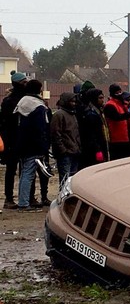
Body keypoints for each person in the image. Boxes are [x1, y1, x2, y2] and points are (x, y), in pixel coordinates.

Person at [14, 79, 50, 211]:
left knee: (25, 173)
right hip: (34, 145)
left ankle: (23, 201)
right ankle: (24, 203)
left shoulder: (23, 101)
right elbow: (40, 128)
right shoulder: (37, 105)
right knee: (29, 174)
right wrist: (43, 145)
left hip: (22, 143)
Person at [1, 71, 28, 208]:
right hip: (12, 139)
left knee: (26, 169)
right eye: (24, 82)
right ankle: (9, 198)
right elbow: (5, 121)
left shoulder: (23, 98)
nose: (26, 84)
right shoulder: (10, 101)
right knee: (12, 169)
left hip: (20, 137)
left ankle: (25, 197)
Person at [50, 92, 81, 184]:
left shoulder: (73, 114)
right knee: (65, 178)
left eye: (75, 102)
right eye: (72, 102)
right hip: (66, 153)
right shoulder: (59, 115)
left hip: (75, 151)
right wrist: (63, 150)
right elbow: (55, 134)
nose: (74, 104)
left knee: (72, 179)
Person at [103, 84, 130, 160]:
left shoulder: (120, 104)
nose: (119, 94)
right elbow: (117, 117)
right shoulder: (110, 105)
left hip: (126, 139)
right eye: (117, 92)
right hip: (117, 141)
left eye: (120, 92)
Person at [79, 88, 110, 168]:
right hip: (93, 150)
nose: (102, 100)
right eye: (100, 98)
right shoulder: (90, 114)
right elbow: (91, 134)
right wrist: (97, 149)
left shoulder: (99, 111)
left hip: (100, 146)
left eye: (103, 98)